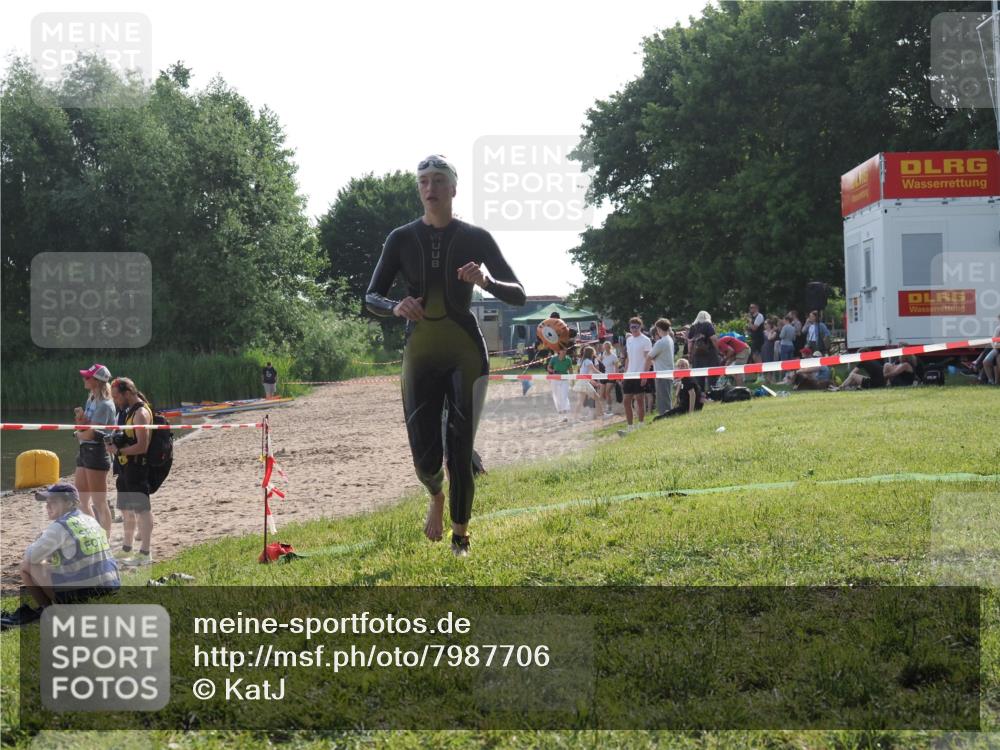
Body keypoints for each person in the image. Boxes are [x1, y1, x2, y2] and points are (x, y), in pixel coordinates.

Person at [365, 154, 526, 557]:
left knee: (458, 447)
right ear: (418, 189)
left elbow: (519, 294)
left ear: (453, 189)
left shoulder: (476, 237)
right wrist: (394, 307)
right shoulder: (400, 239)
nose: (430, 187)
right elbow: (370, 296)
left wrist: (485, 281)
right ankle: (434, 494)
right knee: (424, 457)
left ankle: (461, 535)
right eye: (423, 181)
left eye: (438, 180)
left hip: (465, 353)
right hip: (420, 354)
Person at [1, 484, 119, 629]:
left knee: (27, 566)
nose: (47, 506)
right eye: (47, 502)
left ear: (70, 503)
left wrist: (40, 539)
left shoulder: (60, 526)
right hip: (111, 586)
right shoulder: (90, 519)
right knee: (51, 561)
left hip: (85, 594)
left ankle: (48, 610)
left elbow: (31, 557)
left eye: (53, 502)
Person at [108, 377, 154, 566]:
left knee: (142, 510)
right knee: (126, 509)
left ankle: (145, 552)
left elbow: (142, 446)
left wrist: (119, 450)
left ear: (127, 393)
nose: (115, 401)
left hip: (137, 467)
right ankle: (127, 549)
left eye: (117, 397)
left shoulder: (140, 413)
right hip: (125, 467)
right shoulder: (128, 411)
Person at [74, 363, 115, 539]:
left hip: (97, 452)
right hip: (85, 451)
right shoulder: (91, 400)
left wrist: (78, 433)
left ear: (97, 381)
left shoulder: (105, 405)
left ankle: (104, 539)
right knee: (80, 499)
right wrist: (81, 418)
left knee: (99, 502)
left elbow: (92, 433)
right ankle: (95, 535)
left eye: (87, 377)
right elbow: (86, 427)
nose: (84, 379)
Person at [621, 317, 652, 432]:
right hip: (630, 374)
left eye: (636, 327)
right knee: (626, 401)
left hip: (640, 373)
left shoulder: (646, 340)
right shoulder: (629, 340)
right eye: (631, 327)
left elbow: (648, 359)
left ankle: (641, 423)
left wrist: (645, 375)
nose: (633, 329)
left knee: (639, 400)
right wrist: (625, 373)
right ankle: (630, 426)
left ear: (640, 327)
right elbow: (628, 358)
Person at [645, 318, 675, 417]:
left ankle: (665, 418)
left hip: (662, 374)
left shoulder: (661, 342)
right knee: (666, 399)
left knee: (663, 401)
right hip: (668, 373)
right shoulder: (670, 339)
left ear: (658, 328)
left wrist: (645, 375)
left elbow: (649, 357)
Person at [686, 311, 720, 391]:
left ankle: (700, 395)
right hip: (710, 355)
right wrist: (718, 351)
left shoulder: (693, 327)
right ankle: (712, 394)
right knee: (712, 376)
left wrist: (690, 354)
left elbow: (690, 342)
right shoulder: (708, 324)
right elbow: (714, 339)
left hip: (697, 356)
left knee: (698, 377)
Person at [573, 345, 604, 419]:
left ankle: (575, 418)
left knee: (580, 401)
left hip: (583, 382)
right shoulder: (588, 361)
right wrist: (603, 374)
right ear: (591, 353)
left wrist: (592, 381)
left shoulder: (583, 361)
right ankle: (602, 415)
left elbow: (586, 374)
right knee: (596, 397)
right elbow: (594, 370)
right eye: (593, 352)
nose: (594, 354)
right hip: (584, 383)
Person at [547, 348, 573, 416]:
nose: (564, 351)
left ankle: (565, 410)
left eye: (565, 350)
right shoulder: (554, 358)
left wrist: (572, 379)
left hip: (565, 379)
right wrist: (553, 371)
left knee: (564, 395)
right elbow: (549, 368)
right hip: (555, 378)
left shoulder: (568, 359)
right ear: (559, 351)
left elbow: (571, 370)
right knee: (556, 395)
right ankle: (560, 410)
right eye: (562, 350)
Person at [599, 340, 620, 415]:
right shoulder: (601, 355)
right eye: (605, 347)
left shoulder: (613, 356)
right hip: (603, 375)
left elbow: (617, 367)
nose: (606, 348)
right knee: (602, 394)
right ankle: (603, 408)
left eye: (608, 347)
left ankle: (609, 408)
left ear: (610, 347)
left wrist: (617, 377)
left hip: (611, 375)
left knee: (607, 392)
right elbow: (599, 365)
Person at [983, 313, 1000, 385]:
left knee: (998, 361)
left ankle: (997, 381)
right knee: (986, 361)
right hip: (997, 348)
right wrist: (995, 346)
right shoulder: (998, 328)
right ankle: (991, 380)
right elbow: (993, 340)